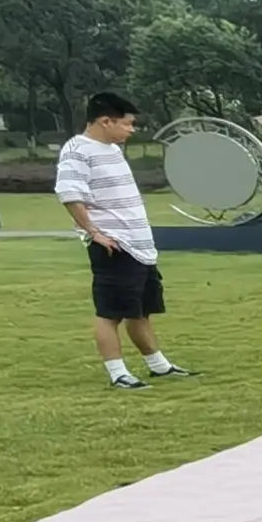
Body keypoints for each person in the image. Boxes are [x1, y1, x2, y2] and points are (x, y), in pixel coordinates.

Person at [55, 92, 192, 390]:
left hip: (139, 245)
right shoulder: (77, 151)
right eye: (128, 124)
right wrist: (95, 233)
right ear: (106, 121)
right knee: (110, 313)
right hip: (113, 245)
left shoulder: (113, 150)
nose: (132, 130)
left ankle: (159, 366)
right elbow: (70, 195)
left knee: (140, 310)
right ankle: (118, 374)